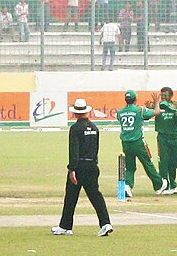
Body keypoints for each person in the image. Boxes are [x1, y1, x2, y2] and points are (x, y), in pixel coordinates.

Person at [52, 99, 113, 237]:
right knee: (96, 196)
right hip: (92, 165)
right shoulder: (94, 128)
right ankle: (105, 223)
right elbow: (96, 149)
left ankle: (65, 226)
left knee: (71, 197)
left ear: (75, 114)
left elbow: (74, 150)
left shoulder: (75, 128)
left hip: (79, 167)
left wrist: (72, 169)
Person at [117, 90, 168, 197]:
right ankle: (159, 184)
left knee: (130, 167)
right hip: (138, 142)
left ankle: (127, 186)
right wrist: (156, 102)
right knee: (147, 163)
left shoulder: (120, 112)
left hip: (125, 143)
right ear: (135, 99)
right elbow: (156, 112)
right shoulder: (139, 110)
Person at [155, 87, 177, 195]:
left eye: (166, 95)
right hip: (162, 137)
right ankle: (167, 186)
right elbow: (151, 113)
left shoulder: (176, 106)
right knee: (164, 162)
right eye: (162, 96)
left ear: (171, 96)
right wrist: (154, 105)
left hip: (175, 138)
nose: (164, 98)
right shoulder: (159, 106)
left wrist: (174, 111)